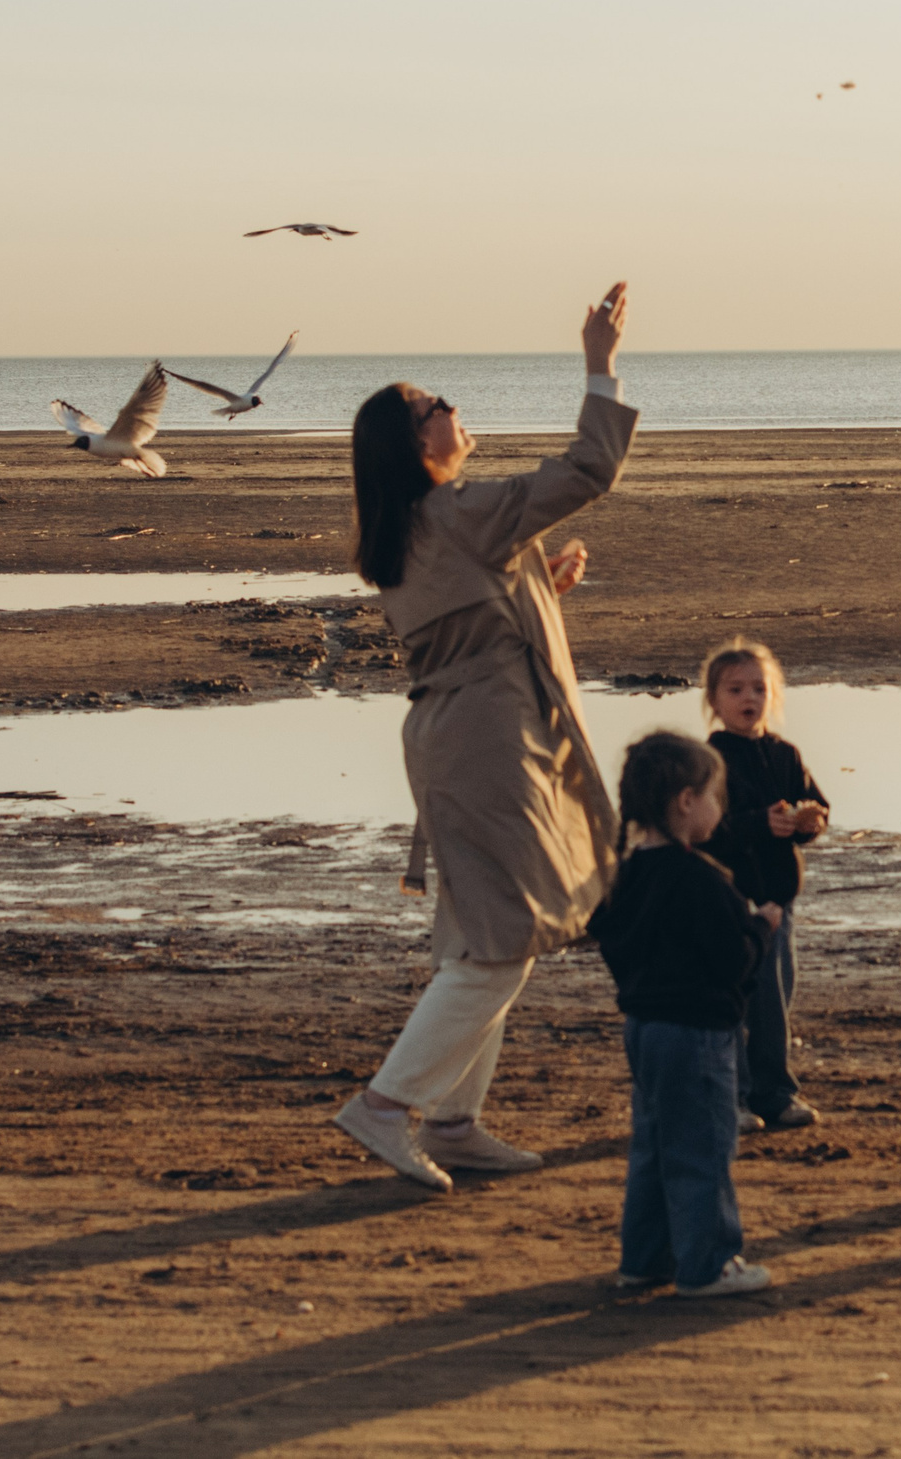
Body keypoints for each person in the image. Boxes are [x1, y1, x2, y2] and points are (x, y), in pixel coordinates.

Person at [332, 281, 635, 1193]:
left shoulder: (406, 527)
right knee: (503, 942)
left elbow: (462, 622)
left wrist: (539, 584)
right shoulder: (457, 511)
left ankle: (455, 1121)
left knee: (483, 938)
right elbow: (589, 469)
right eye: (434, 406)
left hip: (456, 737)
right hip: (488, 743)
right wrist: (600, 363)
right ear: (414, 443)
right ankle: (387, 1104)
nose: (452, 409)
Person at [590, 730, 781, 1298]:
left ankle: (647, 1258)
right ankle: (706, 1264)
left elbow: (608, 936)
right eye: (714, 796)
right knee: (703, 1146)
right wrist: (760, 929)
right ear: (685, 801)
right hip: (697, 1033)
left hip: (644, 1028)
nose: (719, 808)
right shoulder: (700, 879)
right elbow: (732, 962)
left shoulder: (627, 873)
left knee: (654, 1144)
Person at [697, 638, 829, 1131]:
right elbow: (703, 830)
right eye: (735, 689)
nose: (748, 698)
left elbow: (815, 803)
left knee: (775, 1001)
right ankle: (731, 1096)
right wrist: (759, 824)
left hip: (778, 897)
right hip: (731, 899)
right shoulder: (709, 759)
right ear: (714, 700)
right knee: (734, 1001)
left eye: (758, 688)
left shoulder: (784, 754)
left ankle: (772, 1094)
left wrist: (810, 822)